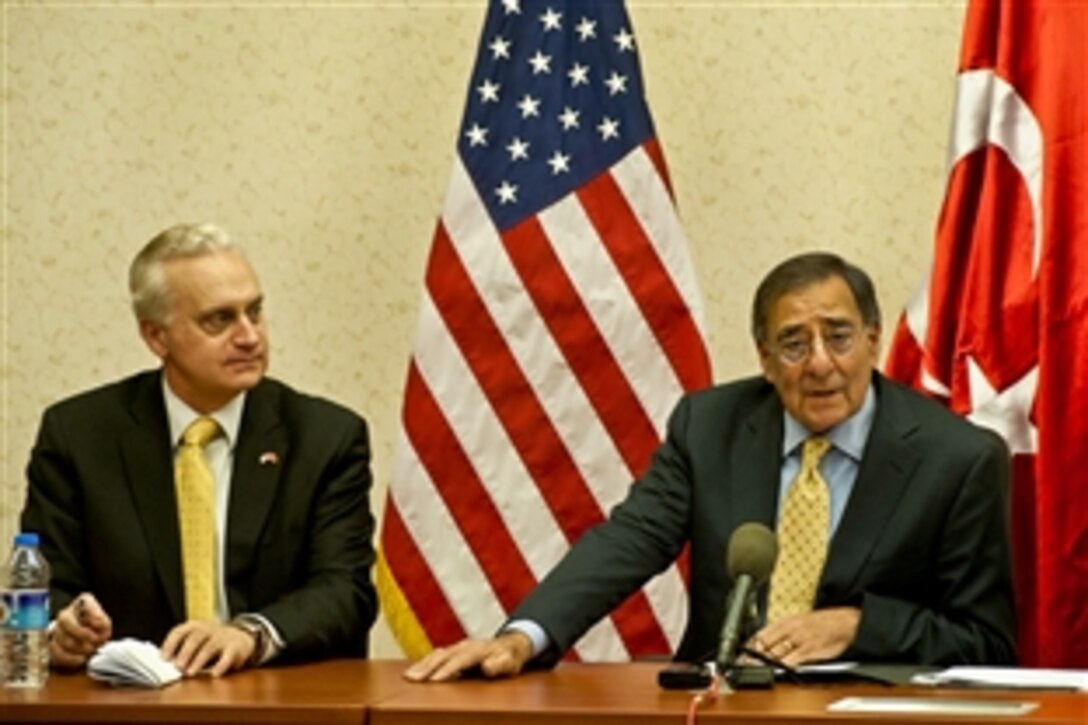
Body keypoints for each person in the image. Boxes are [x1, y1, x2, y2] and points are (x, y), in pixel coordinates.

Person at [406, 251, 1017, 682]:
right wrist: (523, 638)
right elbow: (629, 541)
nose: (821, 363)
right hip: (720, 708)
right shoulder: (710, 426)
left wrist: (856, 627)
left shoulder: (957, 458)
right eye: (795, 344)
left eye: (839, 336)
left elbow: (985, 643)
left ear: (874, 340)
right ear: (766, 359)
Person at [21, 222, 378, 677]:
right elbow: (46, 586)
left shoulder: (326, 436)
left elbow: (345, 590)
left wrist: (250, 634)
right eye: (220, 319)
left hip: (276, 699)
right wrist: (60, 630)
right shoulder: (79, 434)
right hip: (126, 706)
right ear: (156, 337)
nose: (250, 336)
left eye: (255, 311)